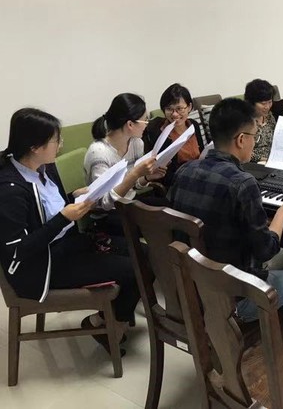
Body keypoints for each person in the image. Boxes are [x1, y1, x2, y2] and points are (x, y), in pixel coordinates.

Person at [169, 98, 283, 334]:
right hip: (234, 296)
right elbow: (266, 250)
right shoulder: (242, 183)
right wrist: (281, 214)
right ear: (241, 140)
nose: (254, 142)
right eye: (254, 137)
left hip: (191, 287)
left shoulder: (184, 170)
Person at [0, 108, 139, 354]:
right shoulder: (11, 189)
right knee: (133, 268)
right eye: (56, 140)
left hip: (66, 244)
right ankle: (109, 326)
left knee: (141, 253)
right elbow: (17, 251)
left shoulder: (45, 168)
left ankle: (105, 321)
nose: (61, 145)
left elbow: (44, 209)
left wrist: (73, 197)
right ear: (35, 146)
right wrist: (64, 218)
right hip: (42, 266)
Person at [85, 93, 166, 235]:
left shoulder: (136, 143)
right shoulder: (98, 153)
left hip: (129, 203)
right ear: (130, 124)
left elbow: (133, 185)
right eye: (145, 120)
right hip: (109, 213)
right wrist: (135, 173)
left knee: (169, 209)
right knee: (158, 226)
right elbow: (105, 203)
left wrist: (146, 177)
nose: (146, 125)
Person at [143, 83, 206, 186]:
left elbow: (202, 155)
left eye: (179, 109)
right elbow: (164, 174)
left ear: (189, 107)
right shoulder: (160, 132)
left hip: (201, 176)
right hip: (179, 183)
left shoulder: (193, 125)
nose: (175, 114)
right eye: (169, 109)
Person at [244, 79, 276, 162]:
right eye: (263, 103)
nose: (267, 107)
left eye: (270, 102)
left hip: (273, 159)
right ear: (251, 103)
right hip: (255, 164)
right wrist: (267, 160)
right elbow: (243, 151)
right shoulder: (245, 121)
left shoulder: (269, 116)